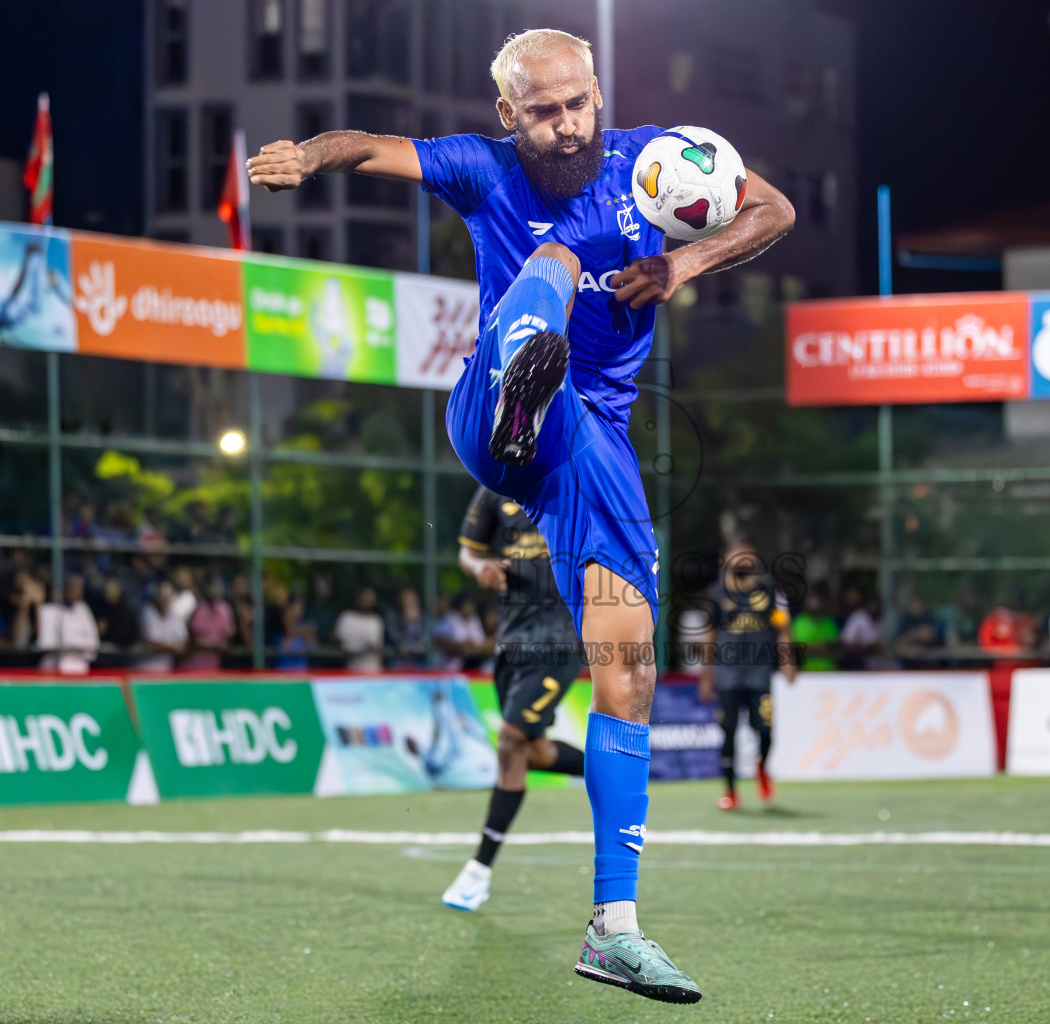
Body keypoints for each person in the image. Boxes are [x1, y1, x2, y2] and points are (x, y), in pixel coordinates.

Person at [248, 26, 793, 1003]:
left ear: (595, 91)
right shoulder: (480, 168)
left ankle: (614, 929)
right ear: (508, 115)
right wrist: (306, 155)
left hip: (591, 446)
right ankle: (524, 372)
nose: (567, 122)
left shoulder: (654, 162)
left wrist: (684, 266)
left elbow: (775, 206)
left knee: (629, 667)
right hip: (494, 421)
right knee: (544, 261)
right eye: (542, 110)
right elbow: (367, 147)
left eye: (578, 100)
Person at [443, 487, 587, 912]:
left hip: (558, 642)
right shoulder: (492, 490)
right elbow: (467, 554)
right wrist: (479, 568)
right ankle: (613, 767)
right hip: (512, 641)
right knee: (532, 752)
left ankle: (478, 871)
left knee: (509, 740)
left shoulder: (572, 479)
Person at [697, 538, 796, 811]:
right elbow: (710, 636)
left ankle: (761, 766)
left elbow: (783, 629)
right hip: (727, 675)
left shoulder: (770, 592)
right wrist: (706, 676)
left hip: (759, 673)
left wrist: (788, 662)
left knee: (765, 730)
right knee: (727, 731)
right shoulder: (717, 593)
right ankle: (730, 791)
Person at [37, 575, 100, 676]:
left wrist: (76, 646)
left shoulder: (83, 609)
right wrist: (77, 644)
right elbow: (46, 644)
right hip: (54, 669)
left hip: (80, 669)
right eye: (71, 588)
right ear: (65, 589)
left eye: (78, 589)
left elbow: (93, 642)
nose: (74, 592)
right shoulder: (50, 610)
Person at [182, 577, 236, 671]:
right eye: (211, 586)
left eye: (217, 586)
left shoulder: (224, 608)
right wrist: (211, 645)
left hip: (216, 663)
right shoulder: (196, 606)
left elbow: (226, 637)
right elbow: (191, 637)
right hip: (194, 661)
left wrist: (217, 645)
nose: (214, 590)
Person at [138, 580, 188, 672]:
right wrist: (172, 648)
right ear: (156, 596)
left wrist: (166, 646)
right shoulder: (147, 612)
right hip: (145, 668)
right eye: (162, 596)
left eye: (168, 596)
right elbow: (152, 643)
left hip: (167, 668)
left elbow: (182, 641)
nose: (165, 599)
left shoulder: (175, 613)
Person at [333, 585, 386, 672]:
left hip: (373, 670)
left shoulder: (376, 620)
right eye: (364, 596)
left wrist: (373, 649)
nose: (367, 600)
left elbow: (379, 647)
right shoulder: (346, 617)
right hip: (351, 669)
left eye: (370, 597)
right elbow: (336, 641)